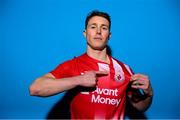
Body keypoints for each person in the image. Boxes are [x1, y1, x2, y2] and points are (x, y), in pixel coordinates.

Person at [29, 10, 153, 119]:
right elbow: (35, 89)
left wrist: (149, 94)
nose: (98, 31)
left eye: (104, 28)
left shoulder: (125, 70)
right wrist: (79, 80)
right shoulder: (73, 65)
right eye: (93, 27)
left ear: (109, 35)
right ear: (85, 33)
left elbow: (139, 106)